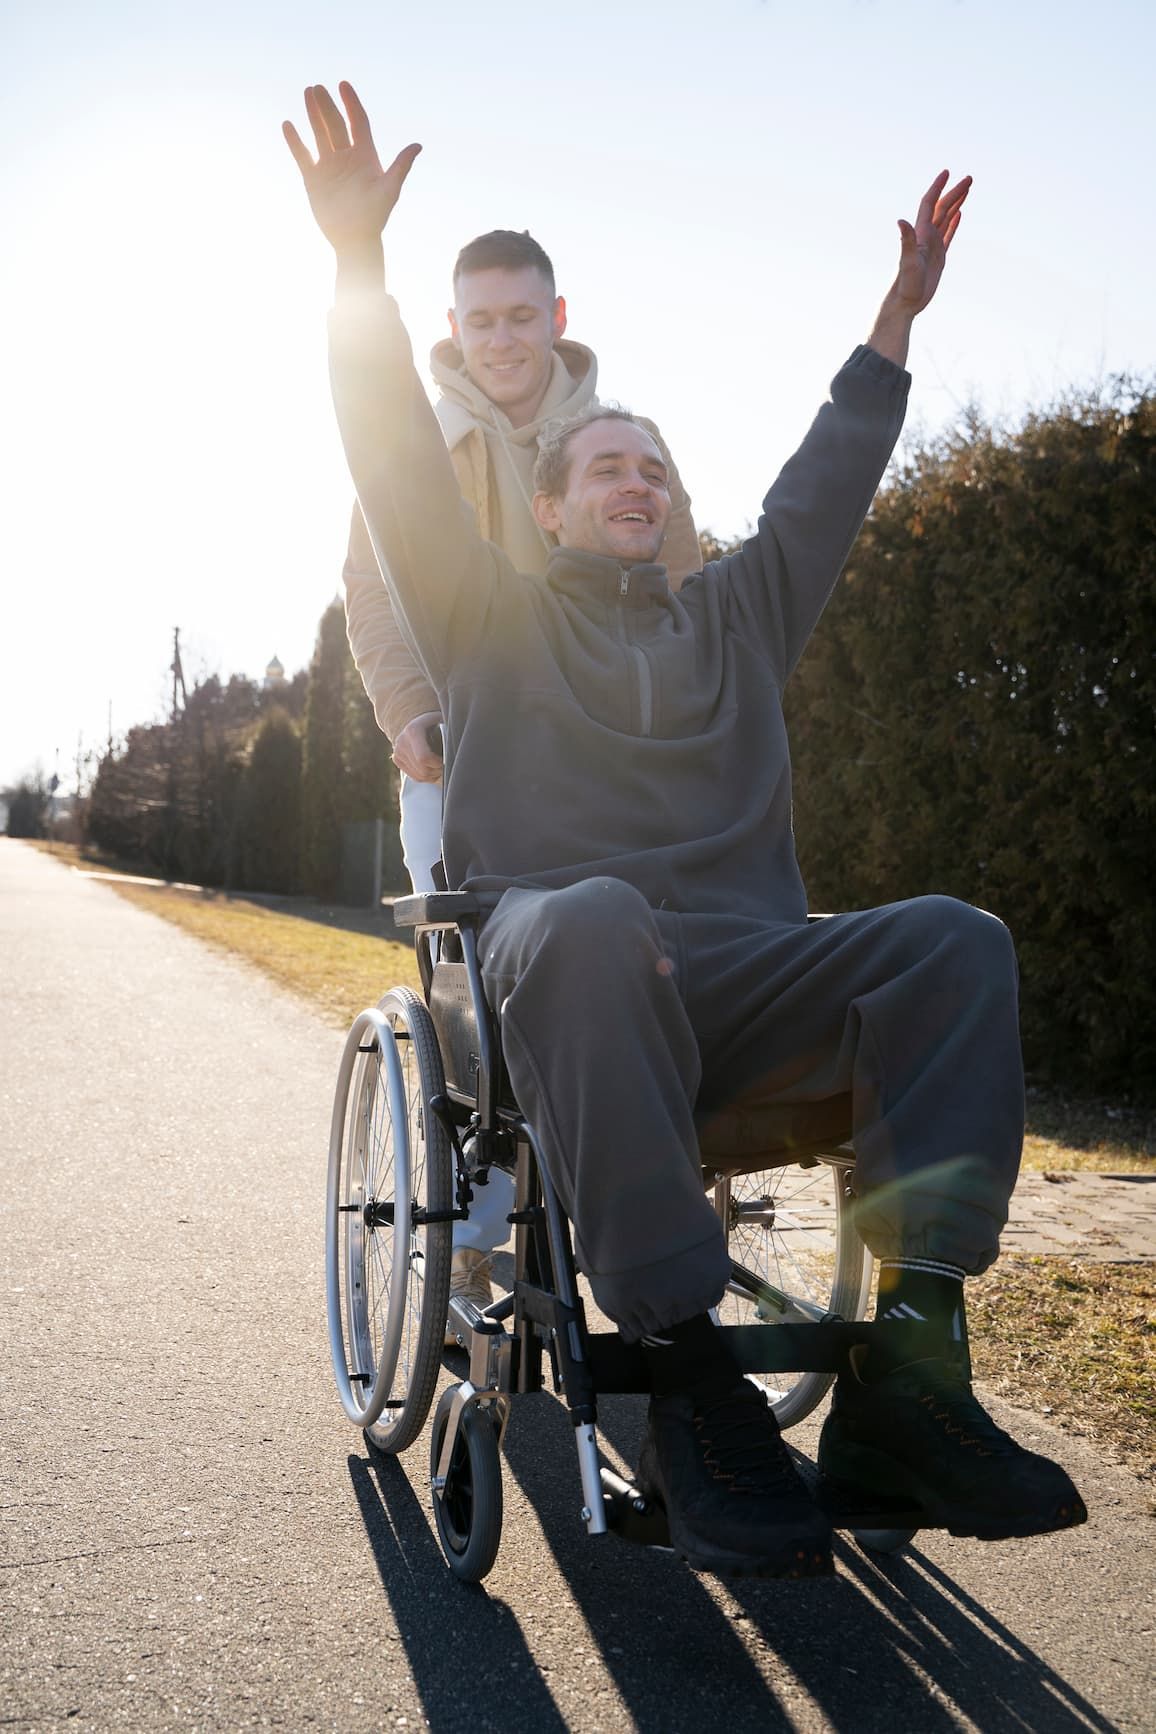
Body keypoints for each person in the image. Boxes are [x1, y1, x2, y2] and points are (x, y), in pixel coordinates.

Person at [285, 82, 1087, 1580]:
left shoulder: (736, 620)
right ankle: (690, 1376)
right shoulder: (490, 620)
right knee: (585, 914)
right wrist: (354, 272)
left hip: (739, 985)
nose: (636, 480)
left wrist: (895, 318)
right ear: (550, 507)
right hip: (570, 985)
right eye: (606, 467)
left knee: (954, 944)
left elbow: (826, 486)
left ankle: (909, 1379)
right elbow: (395, 455)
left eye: (655, 466)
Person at [343, 230, 700, 1338]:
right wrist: (408, 713)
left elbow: (686, 589)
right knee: (476, 985)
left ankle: (670, 1168)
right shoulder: (426, 437)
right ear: (454, 330)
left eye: (520, 316)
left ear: (556, 317)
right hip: (465, 748)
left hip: (605, 754)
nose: (501, 338)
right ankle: (478, 1230)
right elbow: (370, 589)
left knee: (648, 936)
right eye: (480, 320)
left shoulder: (618, 443)